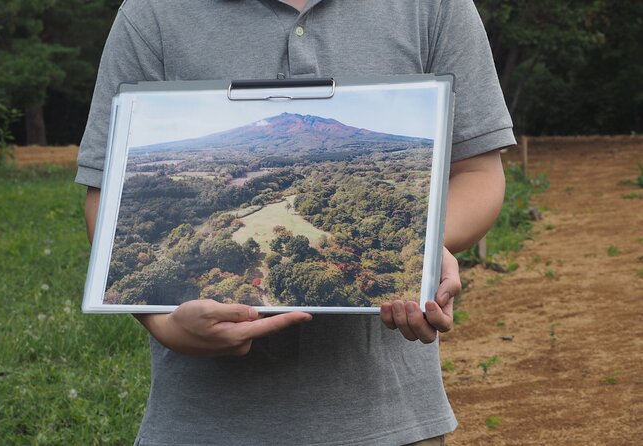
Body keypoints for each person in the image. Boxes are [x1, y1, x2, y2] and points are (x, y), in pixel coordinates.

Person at [77, 1, 513, 444]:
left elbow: (479, 175)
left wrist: (421, 247)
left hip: (392, 419)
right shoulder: (154, 11)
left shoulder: (433, 7)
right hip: (202, 425)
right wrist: (161, 324)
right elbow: (106, 196)